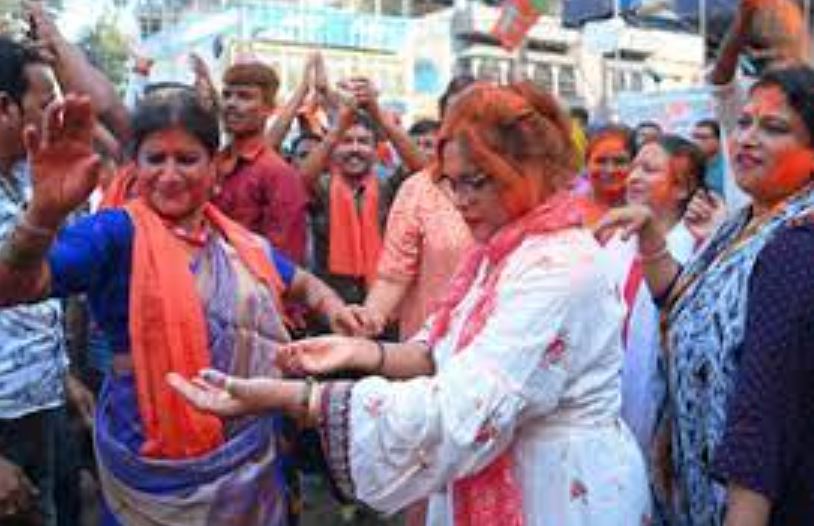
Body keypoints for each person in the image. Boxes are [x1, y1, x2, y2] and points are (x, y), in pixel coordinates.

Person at [170, 81, 651, 526]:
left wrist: (301, 399)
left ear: (524, 173)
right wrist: (361, 351)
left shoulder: (559, 266)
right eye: (452, 183)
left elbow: (464, 408)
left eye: (476, 182)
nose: (459, 200)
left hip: (558, 488)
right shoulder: (504, 249)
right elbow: (440, 350)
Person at [0, 90, 366, 526]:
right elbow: (16, 287)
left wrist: (335, 308)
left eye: (187, 159)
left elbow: (301, 282)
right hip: (153, 458)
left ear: (214, 167)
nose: (170, 175)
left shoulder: (236, 243)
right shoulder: (115, 233)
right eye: (156, 159)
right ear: (135, 166)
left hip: (251, 451)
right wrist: (41, 216)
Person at [595, 65, 814, 526]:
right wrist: (651, 238)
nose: (747, 139)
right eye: (744, 123)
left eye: (774, 128)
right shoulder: (744, 222)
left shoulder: (797, 244)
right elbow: (685, 306)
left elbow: (764, 408)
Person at [616, 135, 722, 455]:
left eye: (649, 170)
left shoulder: (698, 249)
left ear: (682, 188)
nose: (634, 177)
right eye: (634, 167)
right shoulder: (615, 242)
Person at [299, 77, 425, 308]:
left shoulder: (389, 185)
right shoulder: (322, 186)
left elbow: (423, 170)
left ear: (376, 150)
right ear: (334, 147)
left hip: (385, 305)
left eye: (363, 142)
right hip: (330, 306)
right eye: (346, 141)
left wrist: (378, 114)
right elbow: (299, 183)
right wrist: (337, 127)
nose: (355, 149)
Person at [213, 61, 308, 264]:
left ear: (269, 108)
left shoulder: (279, 174)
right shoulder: (212, 163)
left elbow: (285, 258)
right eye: (227, 95)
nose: (231, 104)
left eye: (244, 96)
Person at [579, 125, 634, 225]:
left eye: (619, 162)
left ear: (633, 165)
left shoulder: (646, 212)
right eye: (600, 161)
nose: (610, 170)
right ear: (586, 165)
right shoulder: (566, 211)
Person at [691, 119, 726, 196]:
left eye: (703, 137)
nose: (696, 142)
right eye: (694, 137)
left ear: (719, 140)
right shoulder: (691, 164)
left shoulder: (728, 167)